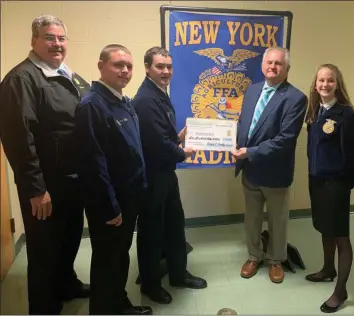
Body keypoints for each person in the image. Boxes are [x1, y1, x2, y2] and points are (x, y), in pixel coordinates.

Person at [0, 14, 90, 314]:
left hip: (72, 179)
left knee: (70, 237)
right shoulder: (21, 79)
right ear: (34, 41)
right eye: (50, 38)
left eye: (61, 38)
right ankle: (44, 307)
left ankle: (66, 283)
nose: (57, 44)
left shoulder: (65, 74)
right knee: (44, 250)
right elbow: (18, 139)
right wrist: (36, 189)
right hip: (46, 185)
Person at [74, 44, 152, 315]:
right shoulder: (92, 106)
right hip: (111, 204)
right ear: (101, 66)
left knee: (119, 257)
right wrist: (110, 207)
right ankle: (105, 309)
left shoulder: (122, 101)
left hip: (128, 198)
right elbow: (93, 164)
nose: (125, 71)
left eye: (129, 66)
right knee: (108, 260)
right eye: (118, 65)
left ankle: (118, 304)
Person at [132, 46, 207, 305]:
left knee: (174, 226)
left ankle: (178, 274)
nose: (165, 71)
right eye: (159, 66)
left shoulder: (159, 94)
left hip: (166, 174)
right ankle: (150, 285)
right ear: (147, 68)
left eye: (168, 67)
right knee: (152, 232)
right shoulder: (144, 100)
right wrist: (182, 151)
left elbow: (162, 137)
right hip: (153, 177)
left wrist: (179, 137)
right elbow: (154, 144)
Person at [232, 47, 308, 284]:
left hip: (276, 172)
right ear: (263, 64)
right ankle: (254, 256)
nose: (273, 67)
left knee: (278, 220)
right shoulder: (252, 90)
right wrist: (230, 137)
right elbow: (246, 123)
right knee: (252, 219)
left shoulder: (296, 98)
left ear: (287, 68)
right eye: (269, 63)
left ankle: (276, 260)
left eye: (279, 64)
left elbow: (285, 140)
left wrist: (249, 152)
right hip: (251, 171)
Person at [304, 64, 354, 312]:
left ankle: (341, 290)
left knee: (340, 236)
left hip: (335, 184)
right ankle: (328, 269)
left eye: (330, 81)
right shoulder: (315, 110)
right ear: (315, 83)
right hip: (317, 180)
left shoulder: (347, 114)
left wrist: (343, 185)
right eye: (321, 80)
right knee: (324, 228)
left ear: (338, 84)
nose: (325, 85)